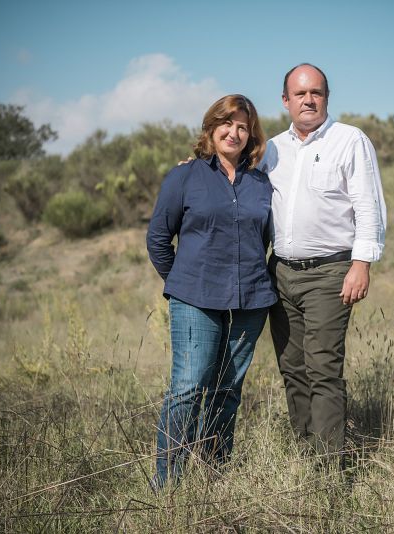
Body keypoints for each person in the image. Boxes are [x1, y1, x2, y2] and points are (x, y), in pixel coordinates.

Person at [146, 94, 276, 488]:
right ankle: (166, 483)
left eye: (243, 126)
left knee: (228, 389)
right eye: (227, 123)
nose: (234, 132)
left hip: (251, 300)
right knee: (188, 387)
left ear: (251, 134)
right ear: (211, 127)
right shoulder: (184, 177)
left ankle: (212, 473)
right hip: (195, 300)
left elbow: (267, 238)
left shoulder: (261, 182)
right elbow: (157, 239)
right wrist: (184, 282)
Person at [260, 64, 387, 463]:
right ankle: (306, 449)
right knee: (292, 367)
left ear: (326, 98)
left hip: (330, 272)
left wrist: (362, 262)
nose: (308, 100)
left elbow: (369, 205)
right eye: (300, 94)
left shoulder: (350, 140)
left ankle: (329, 467)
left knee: (322, 368)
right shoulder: (272, 149)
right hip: (280, 272)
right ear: (286, 101)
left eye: (316, 92)